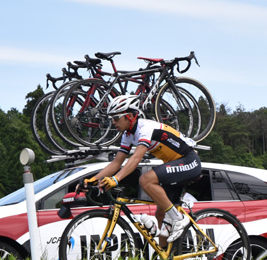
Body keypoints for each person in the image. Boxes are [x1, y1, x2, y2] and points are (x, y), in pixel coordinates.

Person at [85, 94, 200, 242]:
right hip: (175, 164)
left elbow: (136, 158)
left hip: (189, 161)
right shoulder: (127, 134)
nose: (113, 122)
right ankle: (166, 259)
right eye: (111, 119)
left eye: (116, 118)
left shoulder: (145, 128)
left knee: (145, 180)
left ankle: (179, 219)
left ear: (131, 116)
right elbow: (116, 163)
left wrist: (116, 179)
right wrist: (93, 180)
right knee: (161, 213)